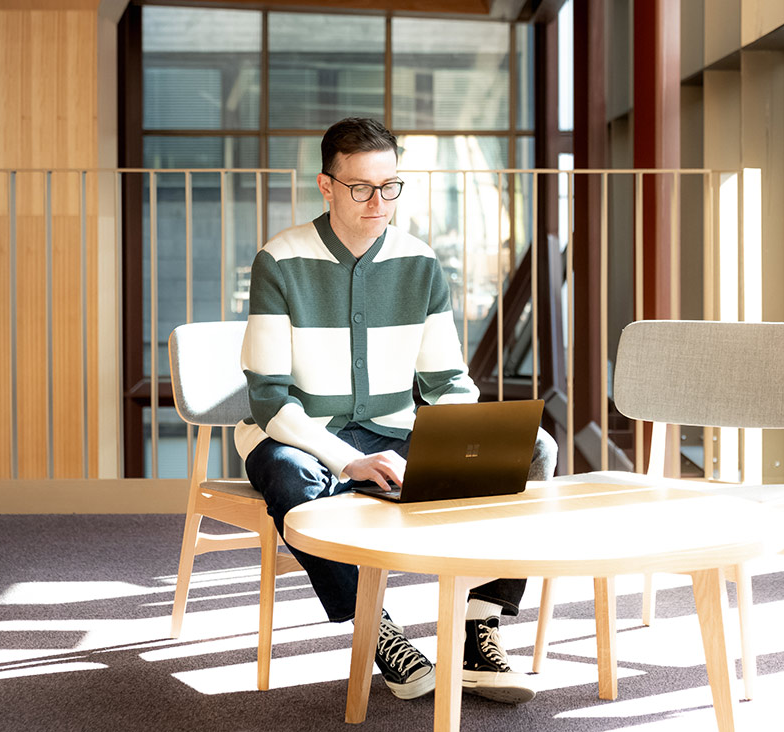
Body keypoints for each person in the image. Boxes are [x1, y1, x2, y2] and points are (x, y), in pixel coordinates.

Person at [237, 117, 556, 705]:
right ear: (326, 186)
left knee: (535, 449)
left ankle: (476, 624)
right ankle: (376, 627)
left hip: (396, 434)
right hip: (304, 436)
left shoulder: (420, 262)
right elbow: (269, 399)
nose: (377, 202)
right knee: (290, 472)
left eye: (389, 186)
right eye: (360, 187)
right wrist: (345, 459)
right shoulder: (278, 260)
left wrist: (462, 434)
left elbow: (447, 380)